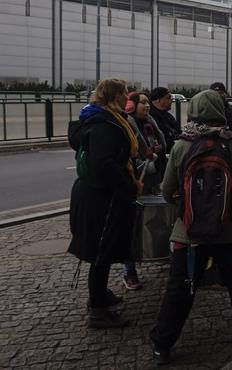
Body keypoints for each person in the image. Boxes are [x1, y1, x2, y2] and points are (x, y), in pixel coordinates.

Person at [150, 90, 232, 364]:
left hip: (188, 233)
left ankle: (162, 343)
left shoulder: (181, 145)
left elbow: (167, 191)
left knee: (180, 288)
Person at [67, 78, 142, 329]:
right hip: (101, 197)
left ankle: (99, 296)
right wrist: (130, 185)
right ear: (115, 96)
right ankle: (97, 311)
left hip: (96, 194)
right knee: (101, 252)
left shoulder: (98, 118)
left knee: (103, 251)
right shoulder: (104, 124)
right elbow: (104, 163)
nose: (127, 97)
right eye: (124, 93)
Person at [121, 91, 168, 291]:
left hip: (153, 179)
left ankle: (156, 254)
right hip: (136, 183)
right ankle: (129, 271)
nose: (147, 106)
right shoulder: (127, 125)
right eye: (143, 103)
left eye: (148, 102)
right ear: (132, 105)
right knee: (131, 227)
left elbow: (158, 145)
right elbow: (130, 157)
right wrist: (147, 162)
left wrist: (156, 151)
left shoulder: (150, 123)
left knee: (154, 221)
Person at [149, 87, 181, 153]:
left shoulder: (168, 116)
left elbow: (178, 131)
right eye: (168, 98)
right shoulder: (151, 117)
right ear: (158, 100)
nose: (171, 100)